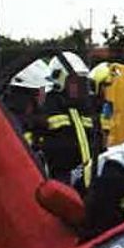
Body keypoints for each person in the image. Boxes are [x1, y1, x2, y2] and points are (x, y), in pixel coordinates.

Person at [35, 52, 104, 192]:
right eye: (75, 82)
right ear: (59, 80)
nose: (81, 86)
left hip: (90, 185)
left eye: (83, 81)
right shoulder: (46, 108)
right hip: (58, 185)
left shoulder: (88, 109)